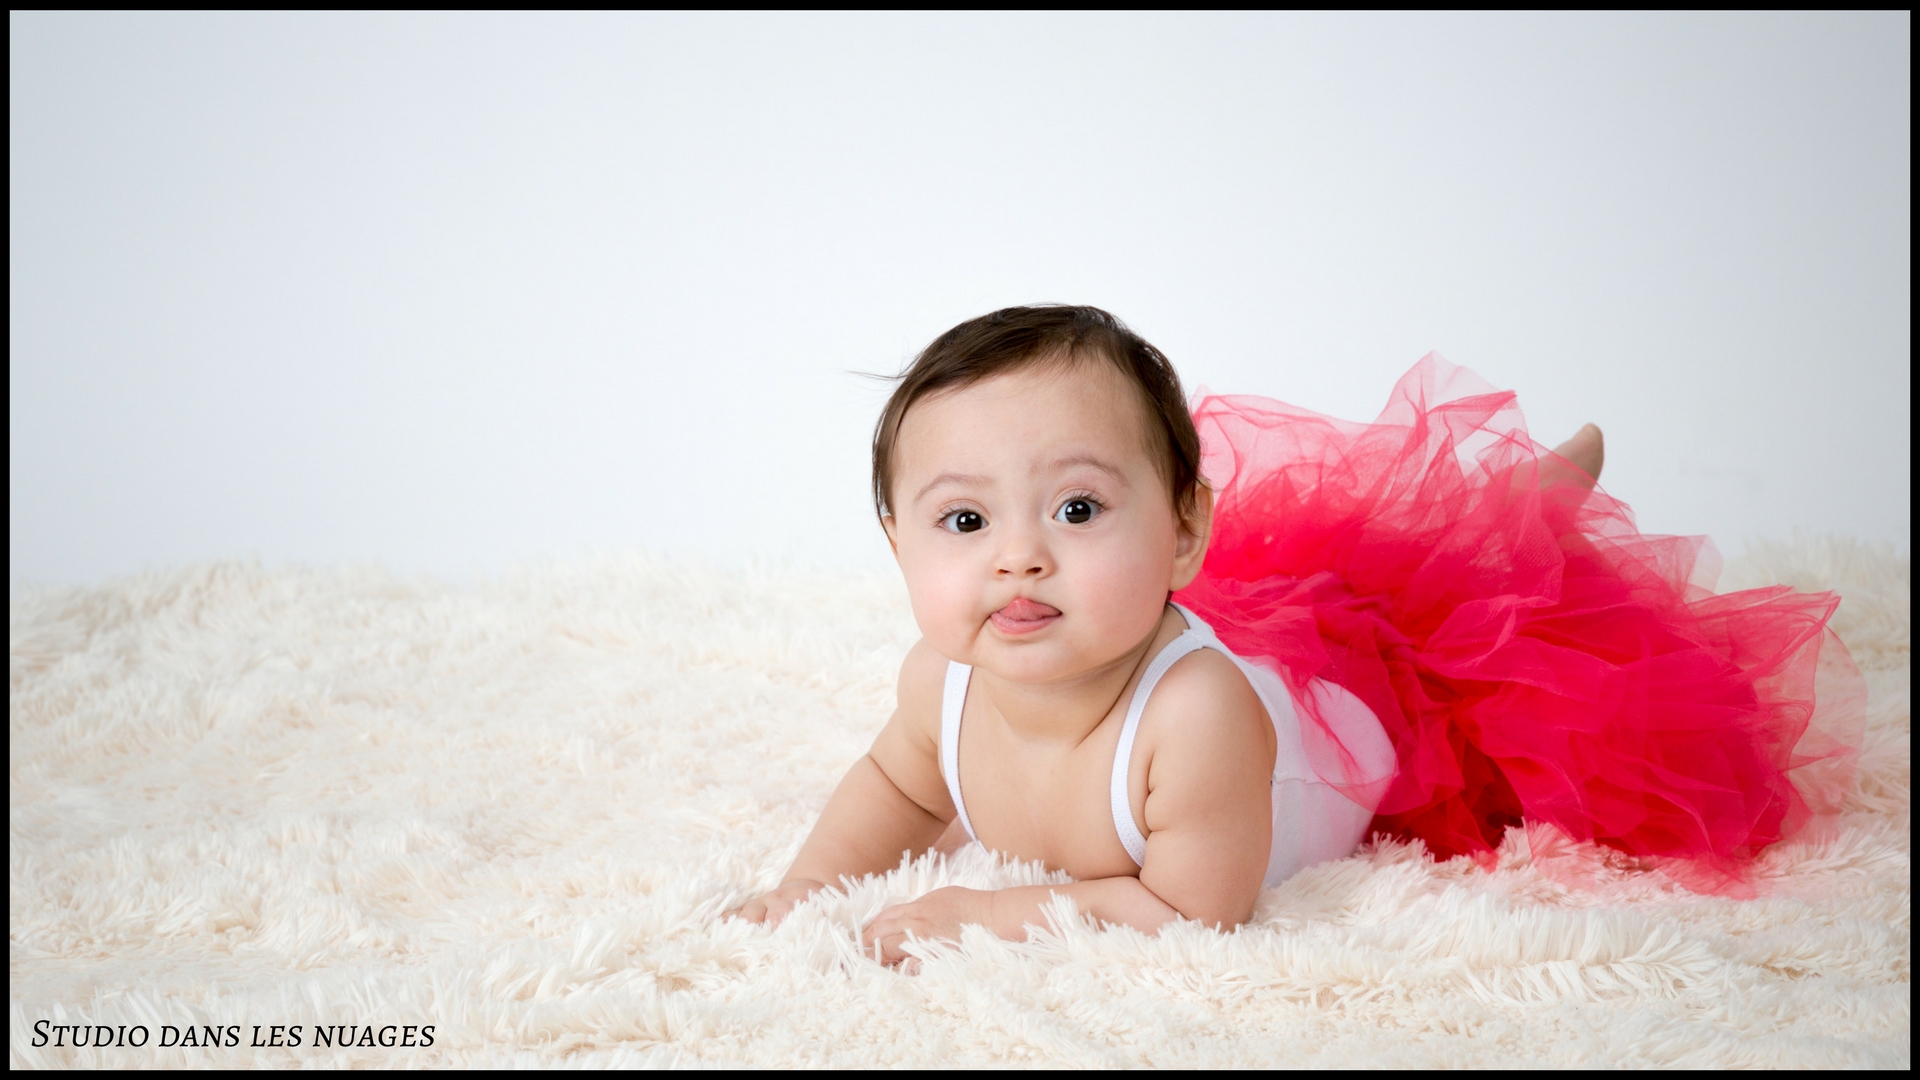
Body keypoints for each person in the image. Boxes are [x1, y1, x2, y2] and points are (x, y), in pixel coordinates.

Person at [729, 305, 1861, 965]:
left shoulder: (1195, 717)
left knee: (1456, 621)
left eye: (1078, 510)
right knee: (1364, 571)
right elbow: (895, 782)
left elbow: (1191, 907)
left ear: (1181, 532)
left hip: (1358, 708)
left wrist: (991, 915)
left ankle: (1530, 506)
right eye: (964, 521)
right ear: (897, 546)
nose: (1019, 555)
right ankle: (1507, 509)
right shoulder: (942, 678)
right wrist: (804, 886)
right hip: (1274, 631)